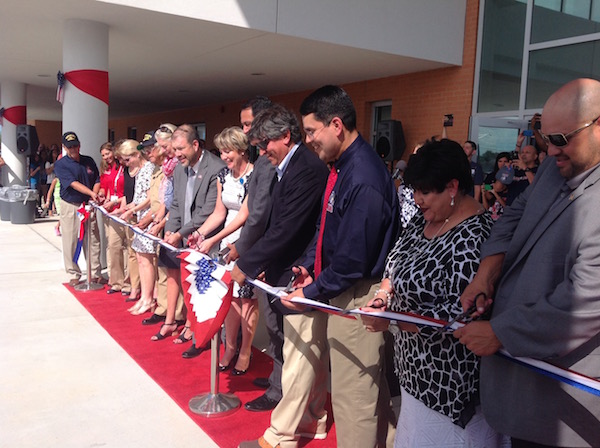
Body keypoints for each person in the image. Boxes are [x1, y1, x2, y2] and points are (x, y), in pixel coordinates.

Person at [455, 78, 600, 447]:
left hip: (567, 408)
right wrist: (486, 276)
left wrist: (501, 332)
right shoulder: (556, 166)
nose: (550, 152)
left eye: (561, 140)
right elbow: (513, 218)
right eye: (544, 138)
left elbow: (583, 303)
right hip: (523, 389)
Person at [362, 139, 507, 447]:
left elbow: (455, 315)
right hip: (414, 376)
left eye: (425, 192)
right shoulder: (424, 218)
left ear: (453, 187)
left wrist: (390, 321)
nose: (417, 200)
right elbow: (396, 262)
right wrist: (382, 296)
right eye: (414, 191)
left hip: (449, 388)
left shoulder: (476, 237)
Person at [281, 85, 399, 448]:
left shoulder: (362, 177)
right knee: (366, 393)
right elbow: (328, 228)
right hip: (340, 291)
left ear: (336, 125)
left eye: (312, 131)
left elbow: (351, 261)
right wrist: (309, 267)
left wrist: (310, 294)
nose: (308, 140)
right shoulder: (342, 168)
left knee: (354, 400)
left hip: (356, 297)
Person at [233, 103, 328, 448]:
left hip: (299, 276)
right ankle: (314, 420)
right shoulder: (286, 166)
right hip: (283, 270)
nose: (262, 152)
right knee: (307, 357)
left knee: (299, 360)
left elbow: (287, 229)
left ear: (286, 136)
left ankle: (281, 436)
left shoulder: (305, 168)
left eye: (264, 145)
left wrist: (245, 264)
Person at [227, 95, 284, 406]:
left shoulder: (266, 163)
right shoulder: (264, 160)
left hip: (272, 255)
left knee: (277, 325)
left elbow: (259, 213)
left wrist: (244, 253)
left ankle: (279, 390)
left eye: (249, 124)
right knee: (274, 325)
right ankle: (277, 377)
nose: (246, 131)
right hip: (264, 252)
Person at [188, 126, 256, 373]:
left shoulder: (254, 176)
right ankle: (230, 346)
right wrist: (201, 234)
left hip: (247, 239)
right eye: (222, 151)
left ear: (241, 150)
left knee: (246, 298)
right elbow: (220, 212)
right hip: (224, 239)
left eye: (228, 151)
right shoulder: (223, 177)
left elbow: (245, 215)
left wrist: (214, 238)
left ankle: (246, 350)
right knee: (229, 295)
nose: (225, 156)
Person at [162, 124, 225, 358]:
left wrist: (181, 234)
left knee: (204, 289)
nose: (177, 154)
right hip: (185, 238)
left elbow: (207, 211)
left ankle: (202, 334)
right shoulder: (180, 169)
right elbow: (176, 204)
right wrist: (171, 230)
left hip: (207, 239)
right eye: (174, 149)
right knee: (190, 287)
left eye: (181, 149)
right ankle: (191, 325)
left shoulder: (215, 168)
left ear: (196, 145)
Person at [53, 132, 101, 286]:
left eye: (75, 145)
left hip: (88, 205)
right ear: (65, 148)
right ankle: (74, 273)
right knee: (71, 240)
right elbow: (72, 183)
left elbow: (97, 179)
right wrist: (92, 193)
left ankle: (95, 273)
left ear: (79, 145)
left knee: (93, 240)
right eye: (70, 146)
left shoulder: (88, 161)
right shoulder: (61, 164)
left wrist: (95, 194)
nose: (73, 148)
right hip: (71, 205)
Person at [120, 135, 158, 315]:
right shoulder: (142, 170)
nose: (125, 163)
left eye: (128, 159)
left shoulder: (149, 168)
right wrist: (127, 208)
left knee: (147, 260)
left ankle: (149, 298)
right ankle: (144, 296)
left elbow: (150, 198)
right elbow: (138, 199)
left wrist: (132, 211)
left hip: (148, 218)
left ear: (137, 155)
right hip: (141, 217)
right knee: (141, 259)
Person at [97, 142, 127, 295]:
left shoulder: (124, 168)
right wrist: (102, 195)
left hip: (123, 209)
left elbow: (126, 190)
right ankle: (115, 281)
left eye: (107, 154)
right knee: (113, 246)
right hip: (110, 211)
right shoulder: (106, 169)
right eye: (103, 155)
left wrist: (115, 201)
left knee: (125, 247)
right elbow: (104, 186)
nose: (106, 157)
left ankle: (128, 283)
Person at [506, 137, 538, 206]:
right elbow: (500, 187)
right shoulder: (515, 169)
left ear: (535, 156)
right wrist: (507, 170)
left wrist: (525, 168)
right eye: (522, 152)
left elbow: (536, 186)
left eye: (527, 152)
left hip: (526, 208)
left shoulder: (539, 170)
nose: (523, 154)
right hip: (510, 207)